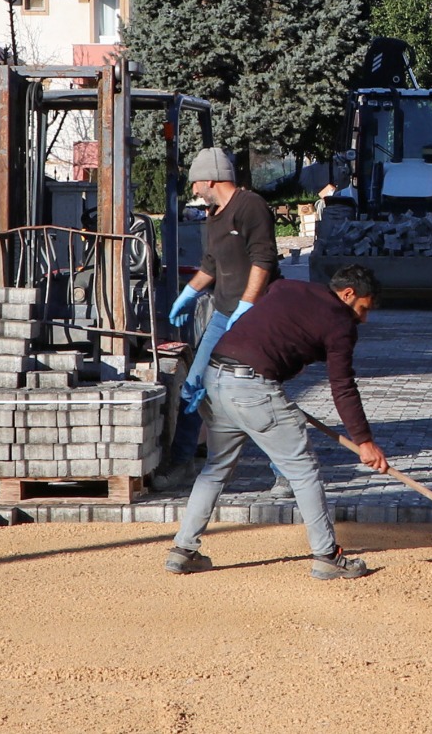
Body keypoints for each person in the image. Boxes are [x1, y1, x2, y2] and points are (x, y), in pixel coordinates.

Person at [164, 264, 389, 580]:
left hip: (215, 378)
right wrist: (364, 441)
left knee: (215, 468)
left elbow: (280, 329)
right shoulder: (340, 322)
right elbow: (343, 385)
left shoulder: (287, 288)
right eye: (363, 309)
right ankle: (327, 557)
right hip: (253, 388)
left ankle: (183, 550)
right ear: (348, 294)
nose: (363, 319)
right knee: (303, 470)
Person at [162, 148, 282, 491]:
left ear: (211, 179)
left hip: (257, 317)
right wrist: (188, 293)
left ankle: (286, 473)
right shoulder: (214, 215)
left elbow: (263, 260)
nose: (195, 190)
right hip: (222, 315)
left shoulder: (251, 206)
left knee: (262, 394)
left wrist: (247, 305)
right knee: (192, 387)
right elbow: (210, 265)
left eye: (196, 183)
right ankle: (182, 463)